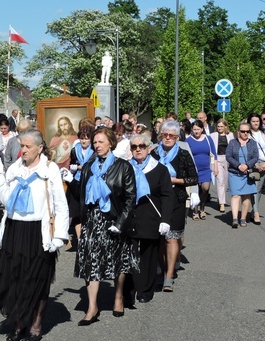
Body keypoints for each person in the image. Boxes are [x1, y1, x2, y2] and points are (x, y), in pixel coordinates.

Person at [0, 129, 69, 341]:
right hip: (15, 230)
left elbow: (61, 205)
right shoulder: (16, 168)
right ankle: (18, 323)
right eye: (21, 146)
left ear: (40, 148)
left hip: (38, 232)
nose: (22, 150)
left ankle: (35, 324)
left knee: (37, 280)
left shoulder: (50, 169)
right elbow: (8, 201)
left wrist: (59, 236)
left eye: (27, 147)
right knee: (15, 279)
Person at [67, 126, 136, 322]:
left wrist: (121, 223)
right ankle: (92, 307)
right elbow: (82, 193)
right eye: (95, 142)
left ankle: (118, 297)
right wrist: (71, 181)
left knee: (118, 262)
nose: (96, 145)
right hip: (92, 220)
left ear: (111, 143)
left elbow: (130, 198)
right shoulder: (89, 166)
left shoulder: (123, 166)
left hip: (114, 220)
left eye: (100, 142)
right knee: (91, 263)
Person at [127, 133, 174, 304]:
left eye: (141, 146)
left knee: (149, 255)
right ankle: (130, 289)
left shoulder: (160, 169)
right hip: (130, 219)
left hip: (151, 218)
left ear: (148, 148)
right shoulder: (125, 167)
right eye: (134, 147)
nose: (138, 149)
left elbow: (168, 196)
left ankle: (146, 289)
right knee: (129, 255)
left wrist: (165, 220)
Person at [151, 121, 197, 292]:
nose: (168, 138)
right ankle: (160, 269)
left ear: (177, 138)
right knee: (159, 238)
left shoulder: (183, 154)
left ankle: (169, 276)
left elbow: (193, 178)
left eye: (171, 136)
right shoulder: (153, 153)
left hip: (176, 199)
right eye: (165, 135)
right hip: (156, 201)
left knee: (171, 238)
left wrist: (173, 181)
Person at [66, 125, 95, 249]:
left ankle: (88, 238)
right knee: (75, 212)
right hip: (76, 181)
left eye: (87, 138)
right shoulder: (74, 150)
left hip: (89, 182)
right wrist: (71, 169)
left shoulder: (94, 151)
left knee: (86, 211)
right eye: (82, 138)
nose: (84, 141)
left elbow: (93, 167)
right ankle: (80, 240)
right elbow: (72, 163)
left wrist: (79, 167)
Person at [226, 122, 259, 228]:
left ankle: (243, 218)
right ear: (238, 131)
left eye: (247, 131)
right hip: (235, 172)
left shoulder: (253, 143)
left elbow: (255, 157)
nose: (245, 133)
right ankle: (235, 218)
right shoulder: (232, 142)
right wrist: (239, 166)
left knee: (246, 196)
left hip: (247, 173)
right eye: (243, 131)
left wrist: (247, 166)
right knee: (235, 195)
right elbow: (228, 156)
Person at [185, 119, 217, 220]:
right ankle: (195, 211)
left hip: (206, 169)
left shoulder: (208, 139)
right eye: (194, 129)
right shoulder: (188, 140)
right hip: (193, 170)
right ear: (191, 129)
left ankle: (202, 208)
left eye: (198, 129)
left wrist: (215, 167)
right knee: (195, 191)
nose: (196, 131)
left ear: (202, 129)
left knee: (205, 188)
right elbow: (185, 155)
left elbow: (213, 154)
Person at [248, 113, 265, 225]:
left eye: (257, 121)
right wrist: (255, 164)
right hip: (253, 164)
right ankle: (256, 213)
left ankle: (253, 211)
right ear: (249, 122)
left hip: (264, 163)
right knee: (254, 188)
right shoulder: (247, 134)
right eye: (253, 121)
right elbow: (246, 151)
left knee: (258, 189)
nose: (255, 123)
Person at [209, 119, 234, 213]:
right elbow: (211, 150)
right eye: (218, 126)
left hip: (227, 159)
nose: (219, 128)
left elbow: (233, 147)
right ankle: (222, 203)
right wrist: (213, 163)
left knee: (226, 182)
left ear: (225, 127)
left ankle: (221, 198)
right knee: (220, 181)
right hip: (217, 159)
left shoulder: (230, 135)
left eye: (221, 126)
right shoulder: (213, 135)